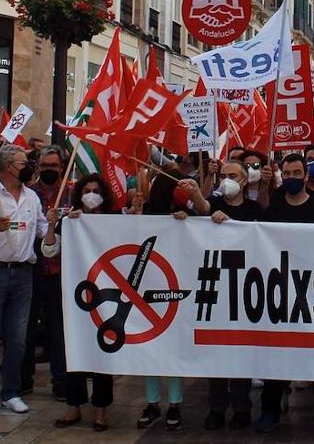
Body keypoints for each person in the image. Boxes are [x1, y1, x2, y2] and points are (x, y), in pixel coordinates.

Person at [0, 145, 59, 415]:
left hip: (24, 274)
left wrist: (51, 223)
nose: (29, 166)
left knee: (17, 338)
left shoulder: (32, 198)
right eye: (23, 162)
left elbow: (42, 234)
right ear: (6, 167)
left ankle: (11, 392)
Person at [255, 153, 314, 433]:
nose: (291, 178)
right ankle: (270, 410)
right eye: (286, 174)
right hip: (280, 292)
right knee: (277, 355)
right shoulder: (273, 210)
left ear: (306, 175)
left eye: (296, 173)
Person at [134, 170, 206, 431]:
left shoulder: (190, 214)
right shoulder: (149, 214)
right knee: (150, 348)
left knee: (173, 348)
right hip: (149, 289)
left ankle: (175, 403)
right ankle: (152, 402)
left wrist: (188, 221)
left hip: (179, 289)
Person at [51, 174, 116, 432]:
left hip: (107, 295)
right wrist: (52, 225)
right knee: (74, 348)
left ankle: (101, 409)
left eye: (95, 190)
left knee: (103, 348)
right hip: (75, 294)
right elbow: (49, 250)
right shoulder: (70, 221)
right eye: (86, 190)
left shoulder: (114, 221)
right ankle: (74, 404)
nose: (91, 194)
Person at [206, 160, 261, 431]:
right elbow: (198, 210)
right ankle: (216, 408)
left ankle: (241, 407)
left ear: (244, 180)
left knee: (240, 352)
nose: (227, 179)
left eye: (233, 175)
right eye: (224, 175)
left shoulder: (254, 210)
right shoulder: (213, 207)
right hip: (215, 287)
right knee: (216, 353)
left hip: (244, 288)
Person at [22, 146, 66, 399]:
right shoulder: (28, 195)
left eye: (54, 165)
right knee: (25, 328)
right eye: (45, 166)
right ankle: (23, 378)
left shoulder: (71, 193)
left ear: (61, 167)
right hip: (31, 269)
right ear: (37, 167)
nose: (50, 170)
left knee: (57, 330)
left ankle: (60, 381)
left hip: (60, 271)